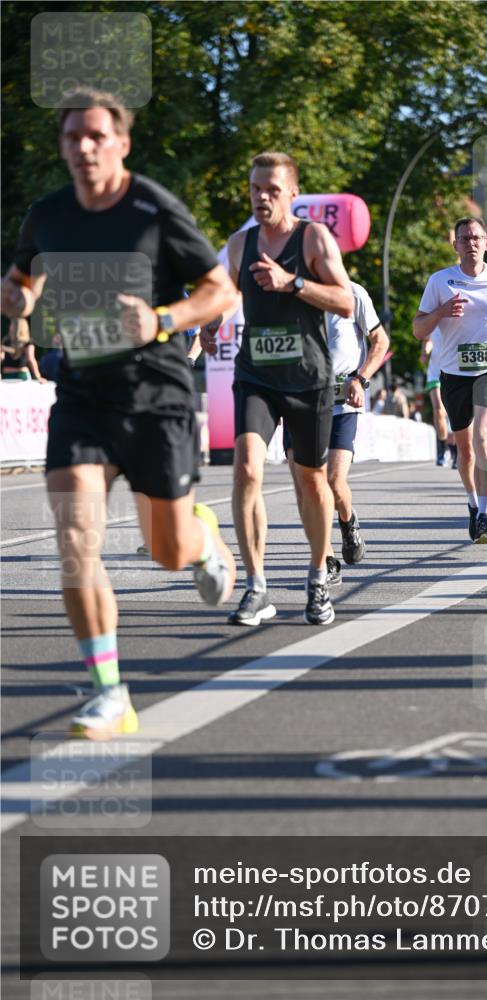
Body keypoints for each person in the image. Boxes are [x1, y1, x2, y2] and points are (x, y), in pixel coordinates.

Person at [1, 88, 237, 740]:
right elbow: (22, 280)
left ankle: (201, 538)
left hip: (156, 395)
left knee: (168, 551)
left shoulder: (153, 209)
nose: (83, 147)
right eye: (72, 136)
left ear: (121, 143)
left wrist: (160, 318)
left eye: (96, 136)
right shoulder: (47, 214)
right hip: (82, 396)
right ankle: (109, 694)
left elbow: (219, 290)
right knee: (75, 538)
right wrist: (16, 297)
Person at [202, 151, 354, 627]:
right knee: (246, 470)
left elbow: (345, 301)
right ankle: (256, 587)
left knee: (310, 480)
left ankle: (317, 577)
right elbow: (228, 295)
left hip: (309, 379)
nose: (261, 197)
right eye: (255, 189)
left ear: (292, 193)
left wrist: (293, 283)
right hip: (257, 375)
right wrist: (211, 323)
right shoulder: (240, 243)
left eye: (271, 189)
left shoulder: (314, 237)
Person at [413, 216, 487, 543]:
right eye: (464, 238)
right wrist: (440, 312)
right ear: (455, 245)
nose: (471, 243)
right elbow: (418, 328)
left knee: (483, 439)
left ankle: (486, 515)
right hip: (453, 373)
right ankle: (473, 503)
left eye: (476, 237)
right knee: (465, 449)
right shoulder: (439, 281)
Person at [284, 281, 389, 585]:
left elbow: (380, 341)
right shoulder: (288, 291)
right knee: (305, 488)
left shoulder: (353, 292)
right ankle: (326, 560)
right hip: (299, 401)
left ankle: (348, 519)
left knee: (333, 481)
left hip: (342, 403)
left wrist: (361, 378)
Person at [420, 333, 456, 467]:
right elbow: (427, 340)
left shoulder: (459, 322)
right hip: (436, 374)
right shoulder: (433, 321)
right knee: (439, 410)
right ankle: (443, 448)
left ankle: (457, 450)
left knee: (454, 412)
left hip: (455, 372)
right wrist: (425, 351)